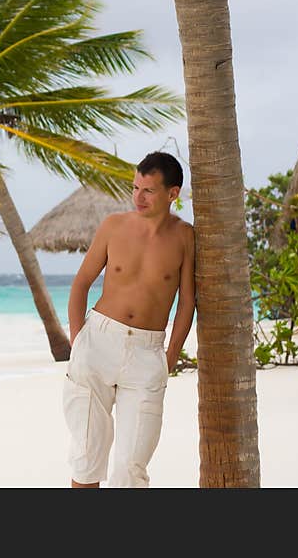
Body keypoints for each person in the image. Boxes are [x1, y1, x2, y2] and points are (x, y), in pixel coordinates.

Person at [62, 151, 196, 488]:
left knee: (130, 468)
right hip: (97, 343)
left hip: (147, 354)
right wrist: (79, 343)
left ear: (172, 193)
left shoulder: (184, 237)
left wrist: (170, 357)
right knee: (87, 458)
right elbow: (80, 284)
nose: (138, 197)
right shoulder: (113, 226)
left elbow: (187, 303)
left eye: (148, 190)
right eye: (135, 187)